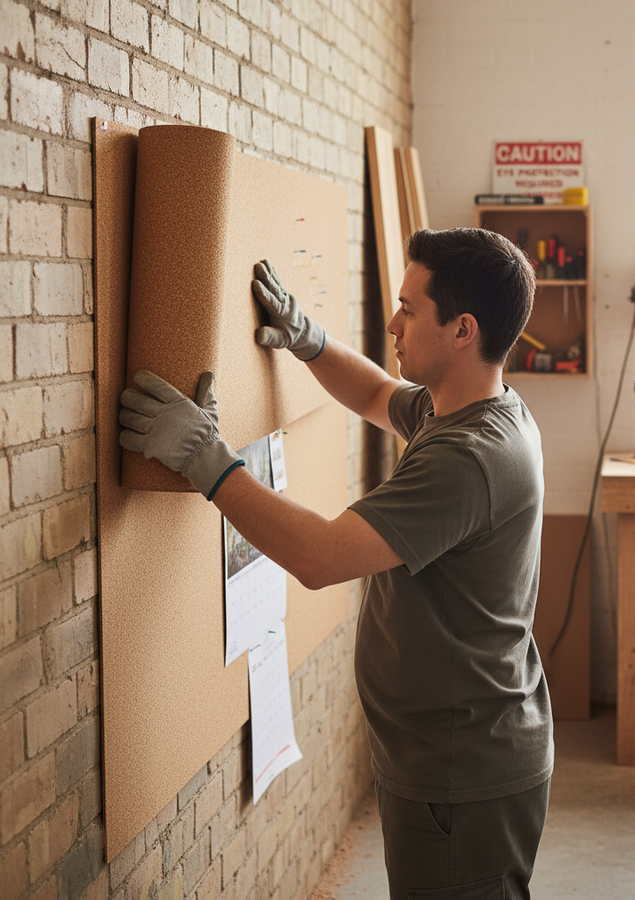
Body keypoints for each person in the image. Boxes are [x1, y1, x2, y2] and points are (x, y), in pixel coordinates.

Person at [118, 227, 553, 899]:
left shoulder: (468, 457)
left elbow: (319, 557)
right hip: (452, 750)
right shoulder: (467, 409)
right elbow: (376, 394)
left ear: (462, 330)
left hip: (461, 771)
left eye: (409, 308)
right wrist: (308, 339)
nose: (393, 323)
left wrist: (207, 458)